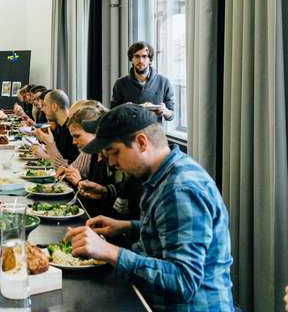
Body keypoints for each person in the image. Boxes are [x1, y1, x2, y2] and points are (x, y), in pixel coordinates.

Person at [65, 104, 234, 311]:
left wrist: (110, 252)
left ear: (142, 143)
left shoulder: (179, 190)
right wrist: (128, 226)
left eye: (114, 152)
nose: (110, 162)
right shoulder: (165, 172)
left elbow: (184, 281)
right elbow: (170, 234)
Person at [111, 41, 175, 122]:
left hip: (154, 132)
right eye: (137, 56)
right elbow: (112, 114)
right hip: (128, 132)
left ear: (150, 59)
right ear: (131, 59)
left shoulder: (164, 82)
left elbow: (171, 115)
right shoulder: (120, 84)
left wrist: (165, 111)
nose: (140, 60)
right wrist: (123, 109)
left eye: (144, 56)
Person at [33, 89, 79, 163]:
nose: (42, 109)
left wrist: (45, 156)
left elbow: (73, 164)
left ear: (54, 107)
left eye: (45, 105)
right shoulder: (60, 126)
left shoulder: (72, 130)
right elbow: (60, 154)